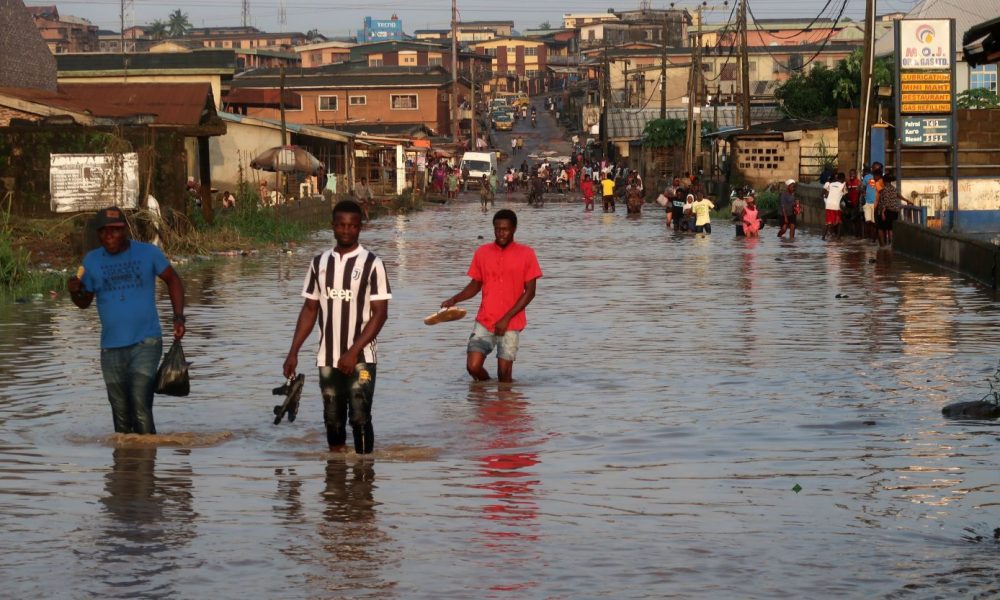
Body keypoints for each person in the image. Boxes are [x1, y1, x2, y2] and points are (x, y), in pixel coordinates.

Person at [283, 200, 392, 454]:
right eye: (341, 225)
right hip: (328, 358)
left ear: (360, 228)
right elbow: (310, 309)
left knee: (359, 415)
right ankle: (336, 479)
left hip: (362, 358)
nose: (346, 231)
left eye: (352, 226)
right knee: (332, 418)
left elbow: (381, 314)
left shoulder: (372, 264)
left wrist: (354, 352)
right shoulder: (319, 263)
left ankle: (365, 477)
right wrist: (293, 351)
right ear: (333, 226)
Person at [67, 207, 186, 435]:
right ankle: (125, 466)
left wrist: (178, 317)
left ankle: (146, 464)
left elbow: (173, 280)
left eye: (115, 230)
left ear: (125, 231)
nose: (109, 236)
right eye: (104, 232)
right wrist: (75, 291)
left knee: (140, 405)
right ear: (98, 234)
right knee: (120, 413)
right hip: (110, 349)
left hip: (146, 342)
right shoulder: (91, 261)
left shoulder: (148, 253)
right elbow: (84, 303)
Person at [440, 209, 542, 383]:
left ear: (514, 229)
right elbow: (475, 285)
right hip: (485, 321)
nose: (501, 233)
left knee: (504, 375)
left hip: (511, 323)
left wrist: (507, 317)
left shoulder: (527, 254)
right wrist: (454, 299)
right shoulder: (482, 253)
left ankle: (503, 406)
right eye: (497, 229)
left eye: (505, 229)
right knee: (473, 367)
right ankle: (484, 392)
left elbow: (530, 292)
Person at [875, 172, 907, 246]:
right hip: (894, 212)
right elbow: (898, 195)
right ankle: (891, 245)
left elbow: (885, 201)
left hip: (887, 211)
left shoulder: (884, 189)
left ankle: (883, 246)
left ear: (884, 181)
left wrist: (883, 213)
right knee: (890, 229)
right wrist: (906, 200)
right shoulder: (894, 189)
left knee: (880, 228)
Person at [822, 172, 847, 240]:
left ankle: (823, 237)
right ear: (843, 179)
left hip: (828, 205)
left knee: (828, 222)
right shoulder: (843, 185)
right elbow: (845, 195)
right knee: (839, 222)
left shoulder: (831, 184)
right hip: (836, 206)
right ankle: (838, 237)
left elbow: (826, 193)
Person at [862, 163, 883, 241]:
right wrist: (864, 194)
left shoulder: (883, 178)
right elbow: (862, 187)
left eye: (878, 168)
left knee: (876, 222)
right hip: (869, 202)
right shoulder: (867, 177)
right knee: (869, 221)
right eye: (874, 168)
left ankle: (875, 239)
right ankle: (870, 239)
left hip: (879, 203)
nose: (876, 170)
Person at [846, 168, 862, 237]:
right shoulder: (848, 182)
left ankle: (857, 234)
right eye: (850, 174)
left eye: (853, 174)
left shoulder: (858, 182)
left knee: (856, 220)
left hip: (856, 204)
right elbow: (847, 192)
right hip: (850, 204)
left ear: (855, 174)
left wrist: (857, 204)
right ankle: (852, 234)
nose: (851, 175)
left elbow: (860, 193)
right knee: (850, 219)